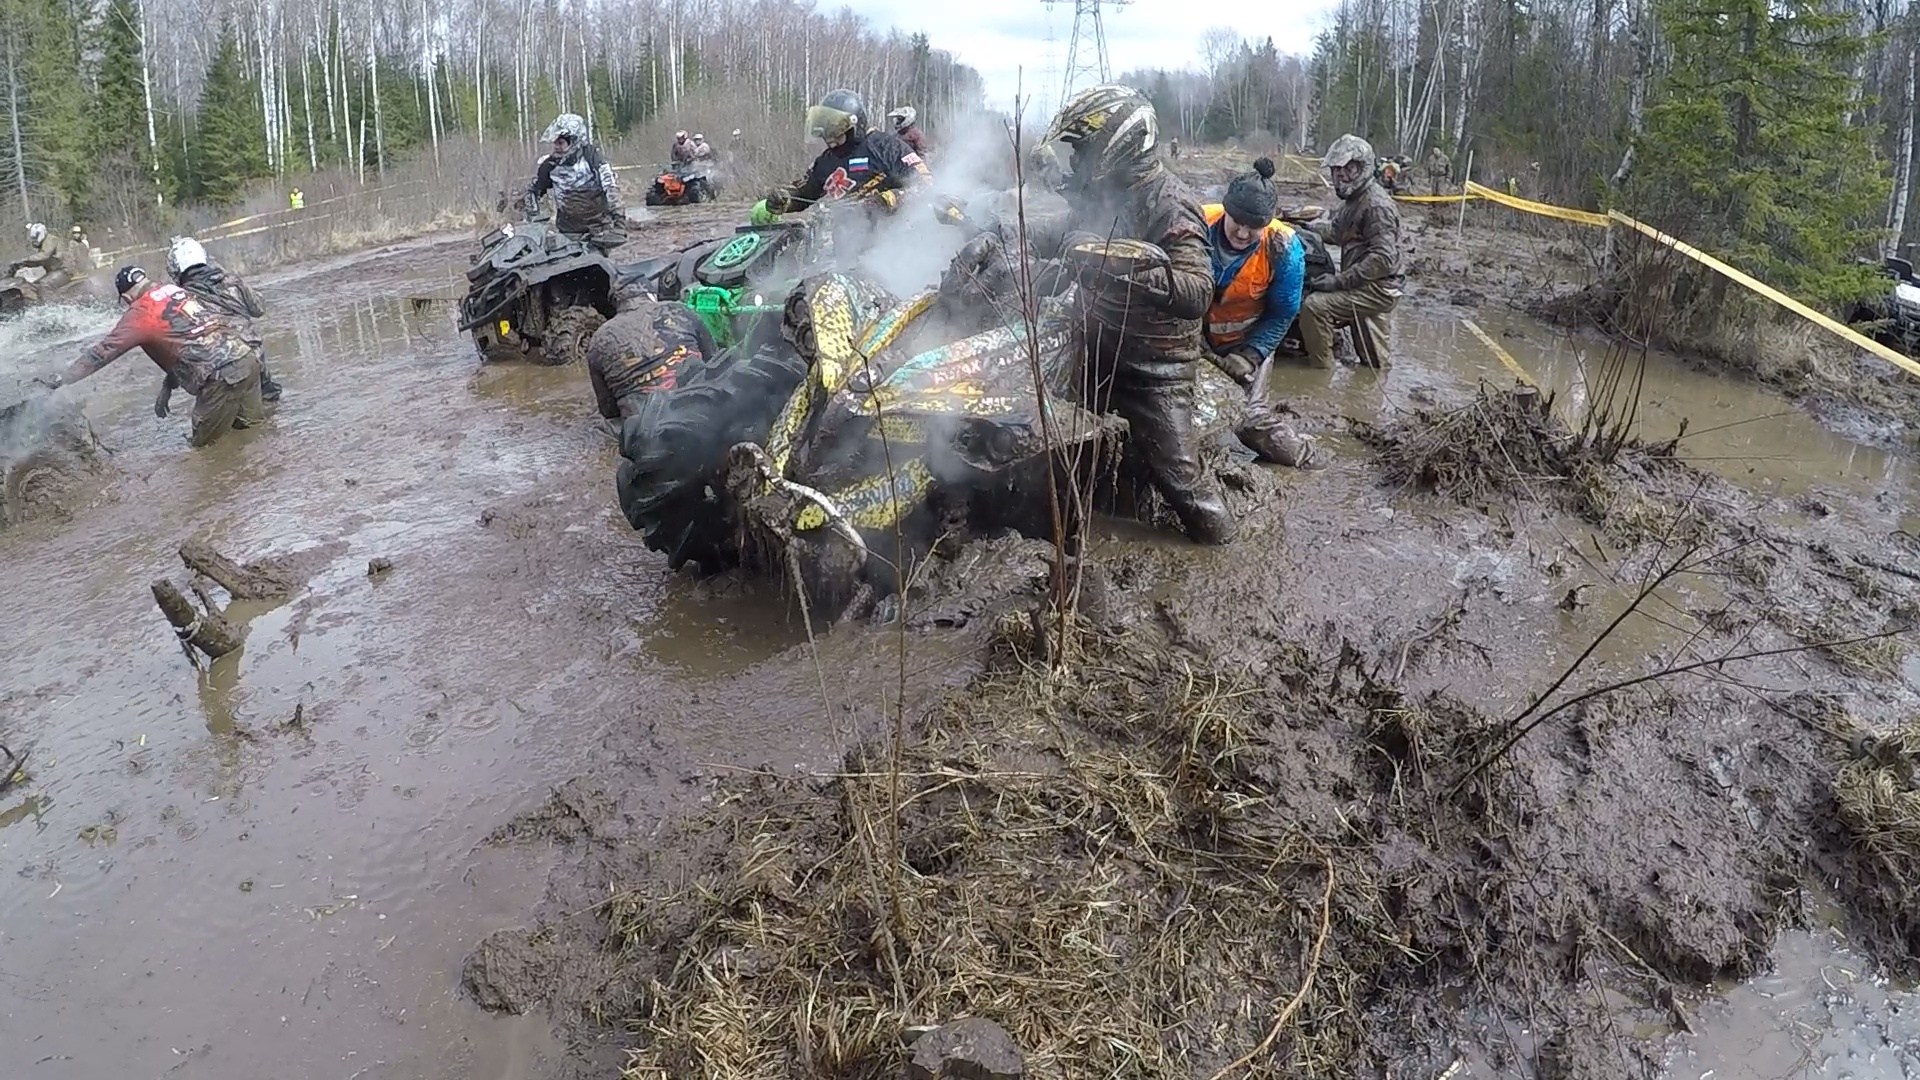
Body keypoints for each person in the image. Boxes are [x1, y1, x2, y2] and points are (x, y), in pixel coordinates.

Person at [1025, 84, 1235, 544]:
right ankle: (1069, 525)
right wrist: (1001, 231)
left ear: (1116, 143)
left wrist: (1115, 261)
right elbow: (1061, 232)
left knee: (1184, 485)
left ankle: (1223, 548)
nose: (1075, 160)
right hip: (1093, 344)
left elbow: (1197, 291)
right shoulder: (1107, 192)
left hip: (1153, 368)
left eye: (1081, 148)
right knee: (1050, 442)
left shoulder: (1170, 202)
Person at [38, 266, 264, 448]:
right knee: (253, 432)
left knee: (206, 452)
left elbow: (102, 352)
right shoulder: (175, 291)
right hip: (246, 358)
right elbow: (190, 341)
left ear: (126, 297)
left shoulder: (140, 313)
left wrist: (62, 379)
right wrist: (168, 385)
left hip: (220, 377)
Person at [1200, 158, 1318, 469]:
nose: (1242, 233)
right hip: (1196, 337)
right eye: (1236, 222)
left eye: (1253, 227)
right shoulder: (1197, 224)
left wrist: (1252, 355)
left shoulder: (1284, 247)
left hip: (1249, 339)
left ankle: (1306, 456)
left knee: (1249, 422)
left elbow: (1283, 314)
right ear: (1225, 210)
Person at [750, 89, 931, 226]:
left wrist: (892, 198)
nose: (830, 140)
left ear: (854, 126)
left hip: (895, 236)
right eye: (827, 133)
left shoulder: (887, 146)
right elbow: (804, 193)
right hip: (849, 243)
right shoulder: (826, 162)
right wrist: (785, 199)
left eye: (836, 133)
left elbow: (926, 185)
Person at [1298, 133, 1401, 369]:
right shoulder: (1355, 200)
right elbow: (1337, 232)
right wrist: (1303, 227)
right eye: (1336, 169)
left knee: (1314, 306)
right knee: (1375, 364)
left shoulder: (1376, 206)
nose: (1340, 175)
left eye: (1349, 168)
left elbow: (1383, 258)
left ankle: (1321, 373)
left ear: (1363, 168)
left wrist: (1339, 282)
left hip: (1377, 287)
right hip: (1365, 282)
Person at [157, 236, 284, 408]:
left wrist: (168, 385)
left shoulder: (180, 301)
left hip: (220, 373)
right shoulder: (232, 282)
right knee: (267, 409)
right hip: (255, 361)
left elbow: (178, 351)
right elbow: (259, 308)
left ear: (174, 269)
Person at [586, 284, 722, 421]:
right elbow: (716, 364)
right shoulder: (679, 310)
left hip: (643, 424)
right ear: (651, 294)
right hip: (700, 411)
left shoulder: (599, 339)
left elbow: (608, 410)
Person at [523, 112, 627, 254]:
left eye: (560, 143)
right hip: (567, 231)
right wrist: (535, 220)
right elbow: (534, 190)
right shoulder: (550, 165)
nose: (556, 147)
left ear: (574, 141)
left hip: (598, 231)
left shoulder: (593, 158)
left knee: (595, 264)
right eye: (555, 143)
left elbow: (611, 188)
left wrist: (619, 222)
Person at [8, 223, 73, 289]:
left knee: (42, 285)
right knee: (34, 285)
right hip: (56, 271)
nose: (33, 241)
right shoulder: (45, 242)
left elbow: (44, 255)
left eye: (34, 238)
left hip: (64, 271)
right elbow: (40, 262)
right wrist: (23, 264)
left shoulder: (50, 240)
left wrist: (25, 260)